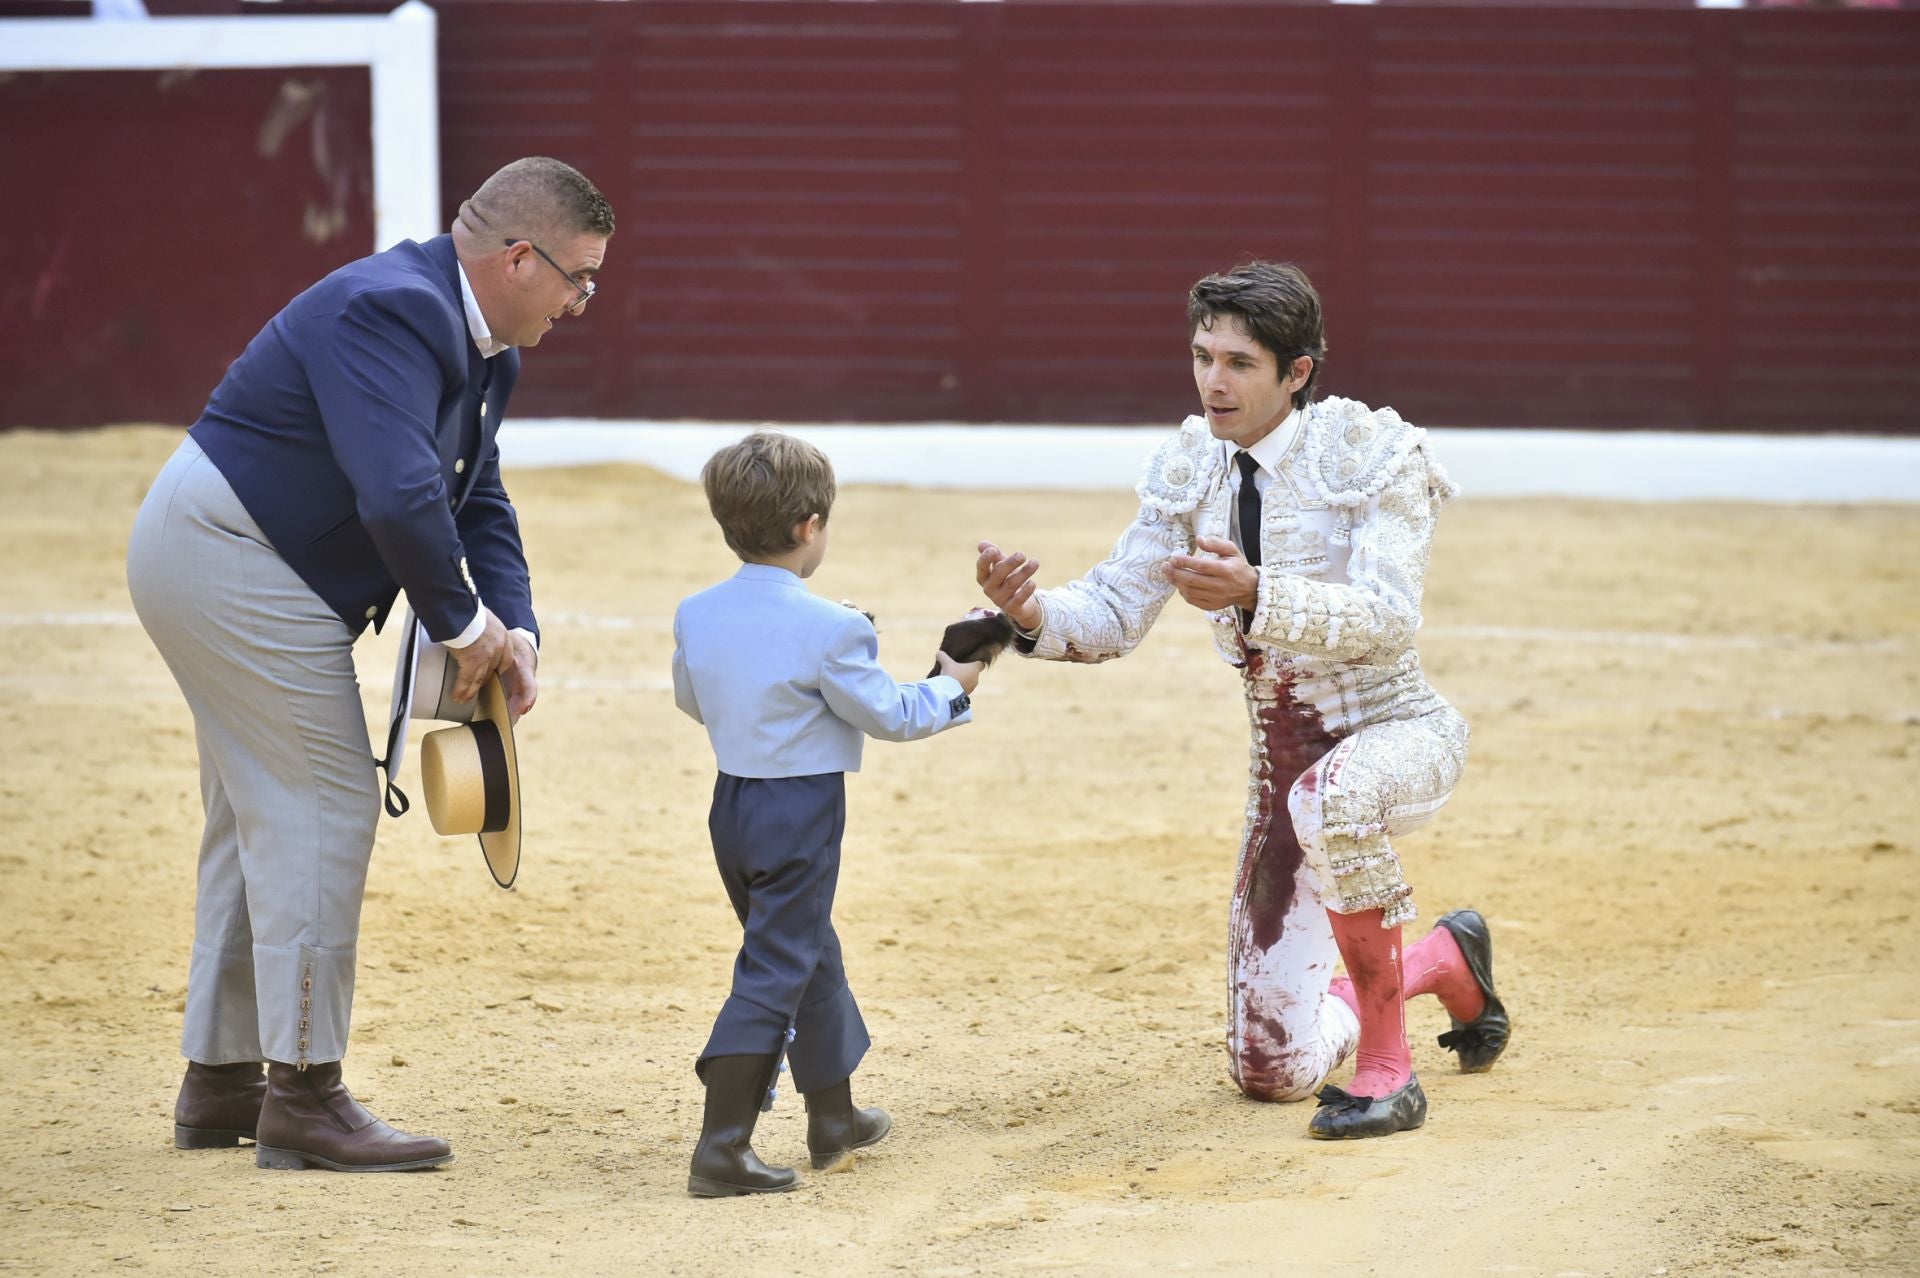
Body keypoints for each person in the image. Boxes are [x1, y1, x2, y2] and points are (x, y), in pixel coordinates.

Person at [126, 156, 614, 1172]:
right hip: (236, 555)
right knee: (323, 803)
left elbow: (475, 501)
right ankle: (302, 1092)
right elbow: (399, 499)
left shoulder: (481, 344)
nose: (583, 301)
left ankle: (223, 1081)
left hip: (234, 552)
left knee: (253, 813)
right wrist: (462, 628)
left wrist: (512, 628)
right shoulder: (393, 311)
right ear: (519, 258)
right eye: (579, 276)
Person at [974, 261, 1509, 1140]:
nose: (1212, 382)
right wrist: (1028, 611)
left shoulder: (1375, 457)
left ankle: (1389, 1067)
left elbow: (1385, 616)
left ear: (1296, 372)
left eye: (1239, 364)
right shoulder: (1192, 466)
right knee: (1271, 1071)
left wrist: (1257, 592)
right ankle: (1444, 958)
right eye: (1201, 356)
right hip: (1284, 768)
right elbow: (1112, 613)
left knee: (1331, 799)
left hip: (1399, 730)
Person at [672, 431, 984, 1195]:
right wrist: (956, 680)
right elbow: (894, 715)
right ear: (810, 525)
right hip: (800, 811)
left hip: (733, 805)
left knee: (807, 950)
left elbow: (693, 700)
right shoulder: (834, 627)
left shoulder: (697, 611)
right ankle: (722, 1147)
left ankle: (833, 1120)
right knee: (778, 965)